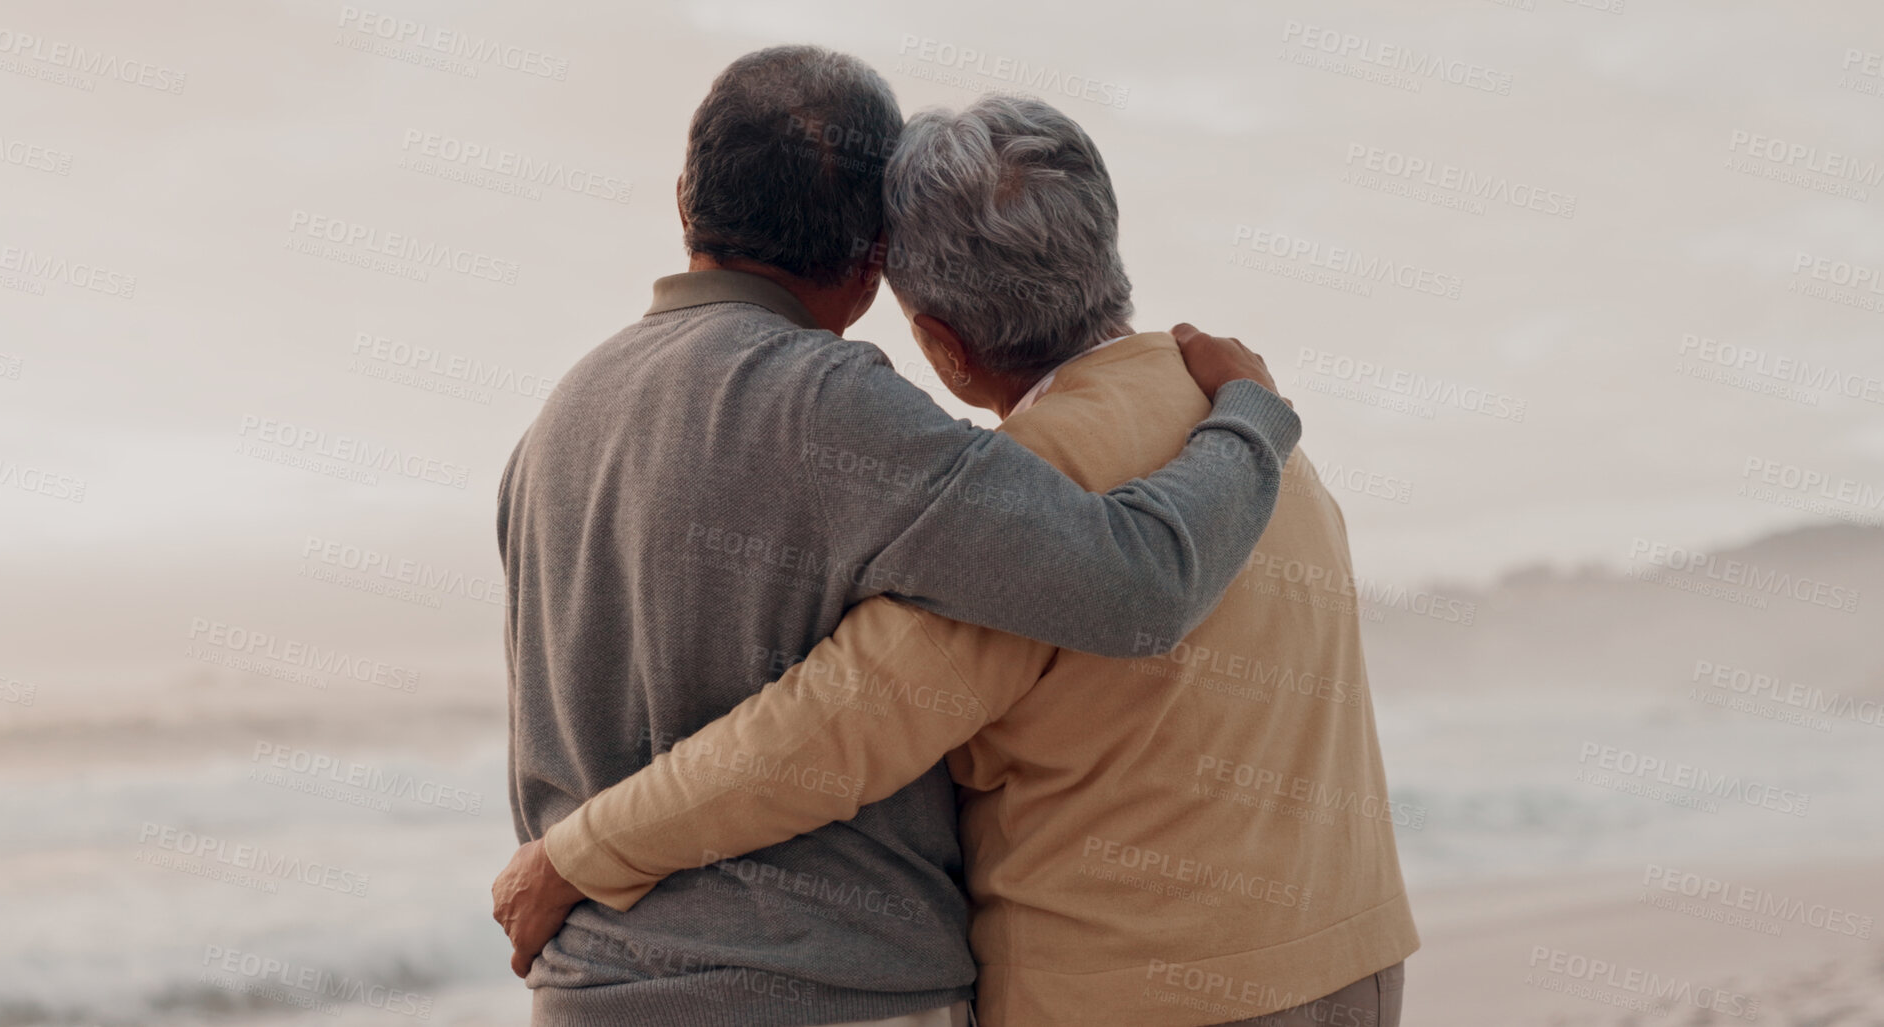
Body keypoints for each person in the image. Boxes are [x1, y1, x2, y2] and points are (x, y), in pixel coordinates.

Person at [495, 94, 1417, 1026]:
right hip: (1355, 964)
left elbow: (816, 739)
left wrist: (572, 854)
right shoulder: (1255, 434)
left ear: (943, 343)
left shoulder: (1030, 494)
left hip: (1138, 998)